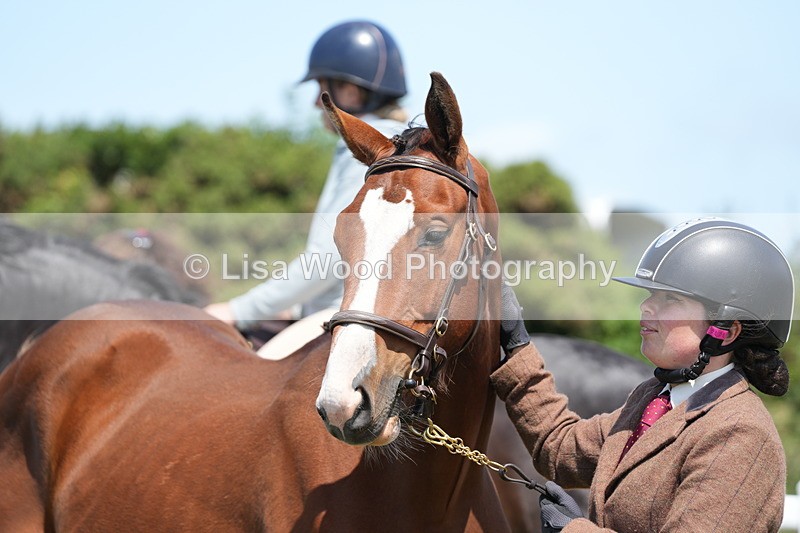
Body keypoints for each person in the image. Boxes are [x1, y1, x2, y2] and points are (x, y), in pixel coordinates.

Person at [493, 217, 795, 532]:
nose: (646, 307)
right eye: (651, 295)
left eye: (671, 299)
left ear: (727, 331)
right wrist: (517, 346)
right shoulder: (652, 398)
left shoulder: (740, 435)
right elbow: (560, 449)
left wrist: (573, 530)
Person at [204, 20, 409, 358]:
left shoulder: (370, 152)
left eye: (322, 88)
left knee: (254, 386)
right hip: (359, 309)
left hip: (346, 313)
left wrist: (238, 310)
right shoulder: (399, 142)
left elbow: (328, 259)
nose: (316, 103)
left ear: (350, 92)